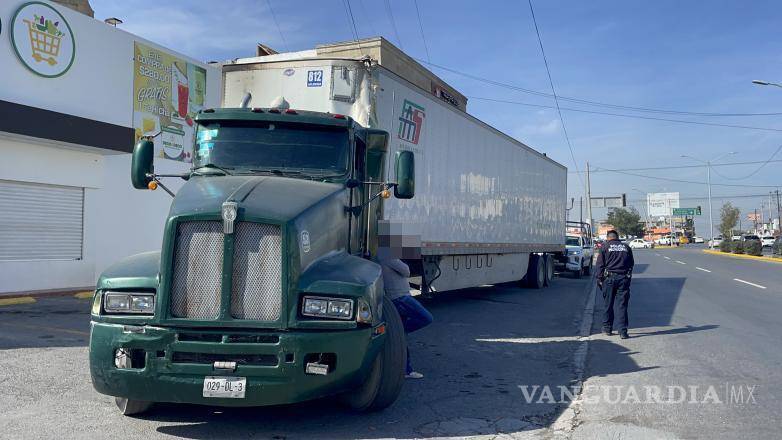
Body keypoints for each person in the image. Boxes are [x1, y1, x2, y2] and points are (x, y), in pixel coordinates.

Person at [379, 256, 433, 379]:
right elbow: (406, 271)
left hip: (397, 297)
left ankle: (407, 370)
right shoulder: (389, 257)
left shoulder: (386, 257)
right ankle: (398, 332)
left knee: (403, 338)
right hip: (400, 297)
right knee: (426, 318)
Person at [596, 230, 635, 339]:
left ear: (608, 238)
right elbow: (631, 263)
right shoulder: (626, 247)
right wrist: (628, 276)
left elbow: (600, 265)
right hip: (623, 278)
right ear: (617, 237)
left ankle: (607, 328)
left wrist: (599, 278)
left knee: (608, 304)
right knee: (622, 305)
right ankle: (623, 331)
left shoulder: (604, 247)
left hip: (609, 279)